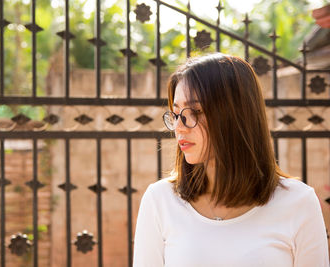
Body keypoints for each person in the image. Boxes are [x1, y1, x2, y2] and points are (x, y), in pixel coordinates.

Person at [133, 53, 329, 267]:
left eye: (195, 111)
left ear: (237, 115)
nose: (179, 127)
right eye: (176, 113)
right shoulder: (160, 200)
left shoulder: (298, 202)